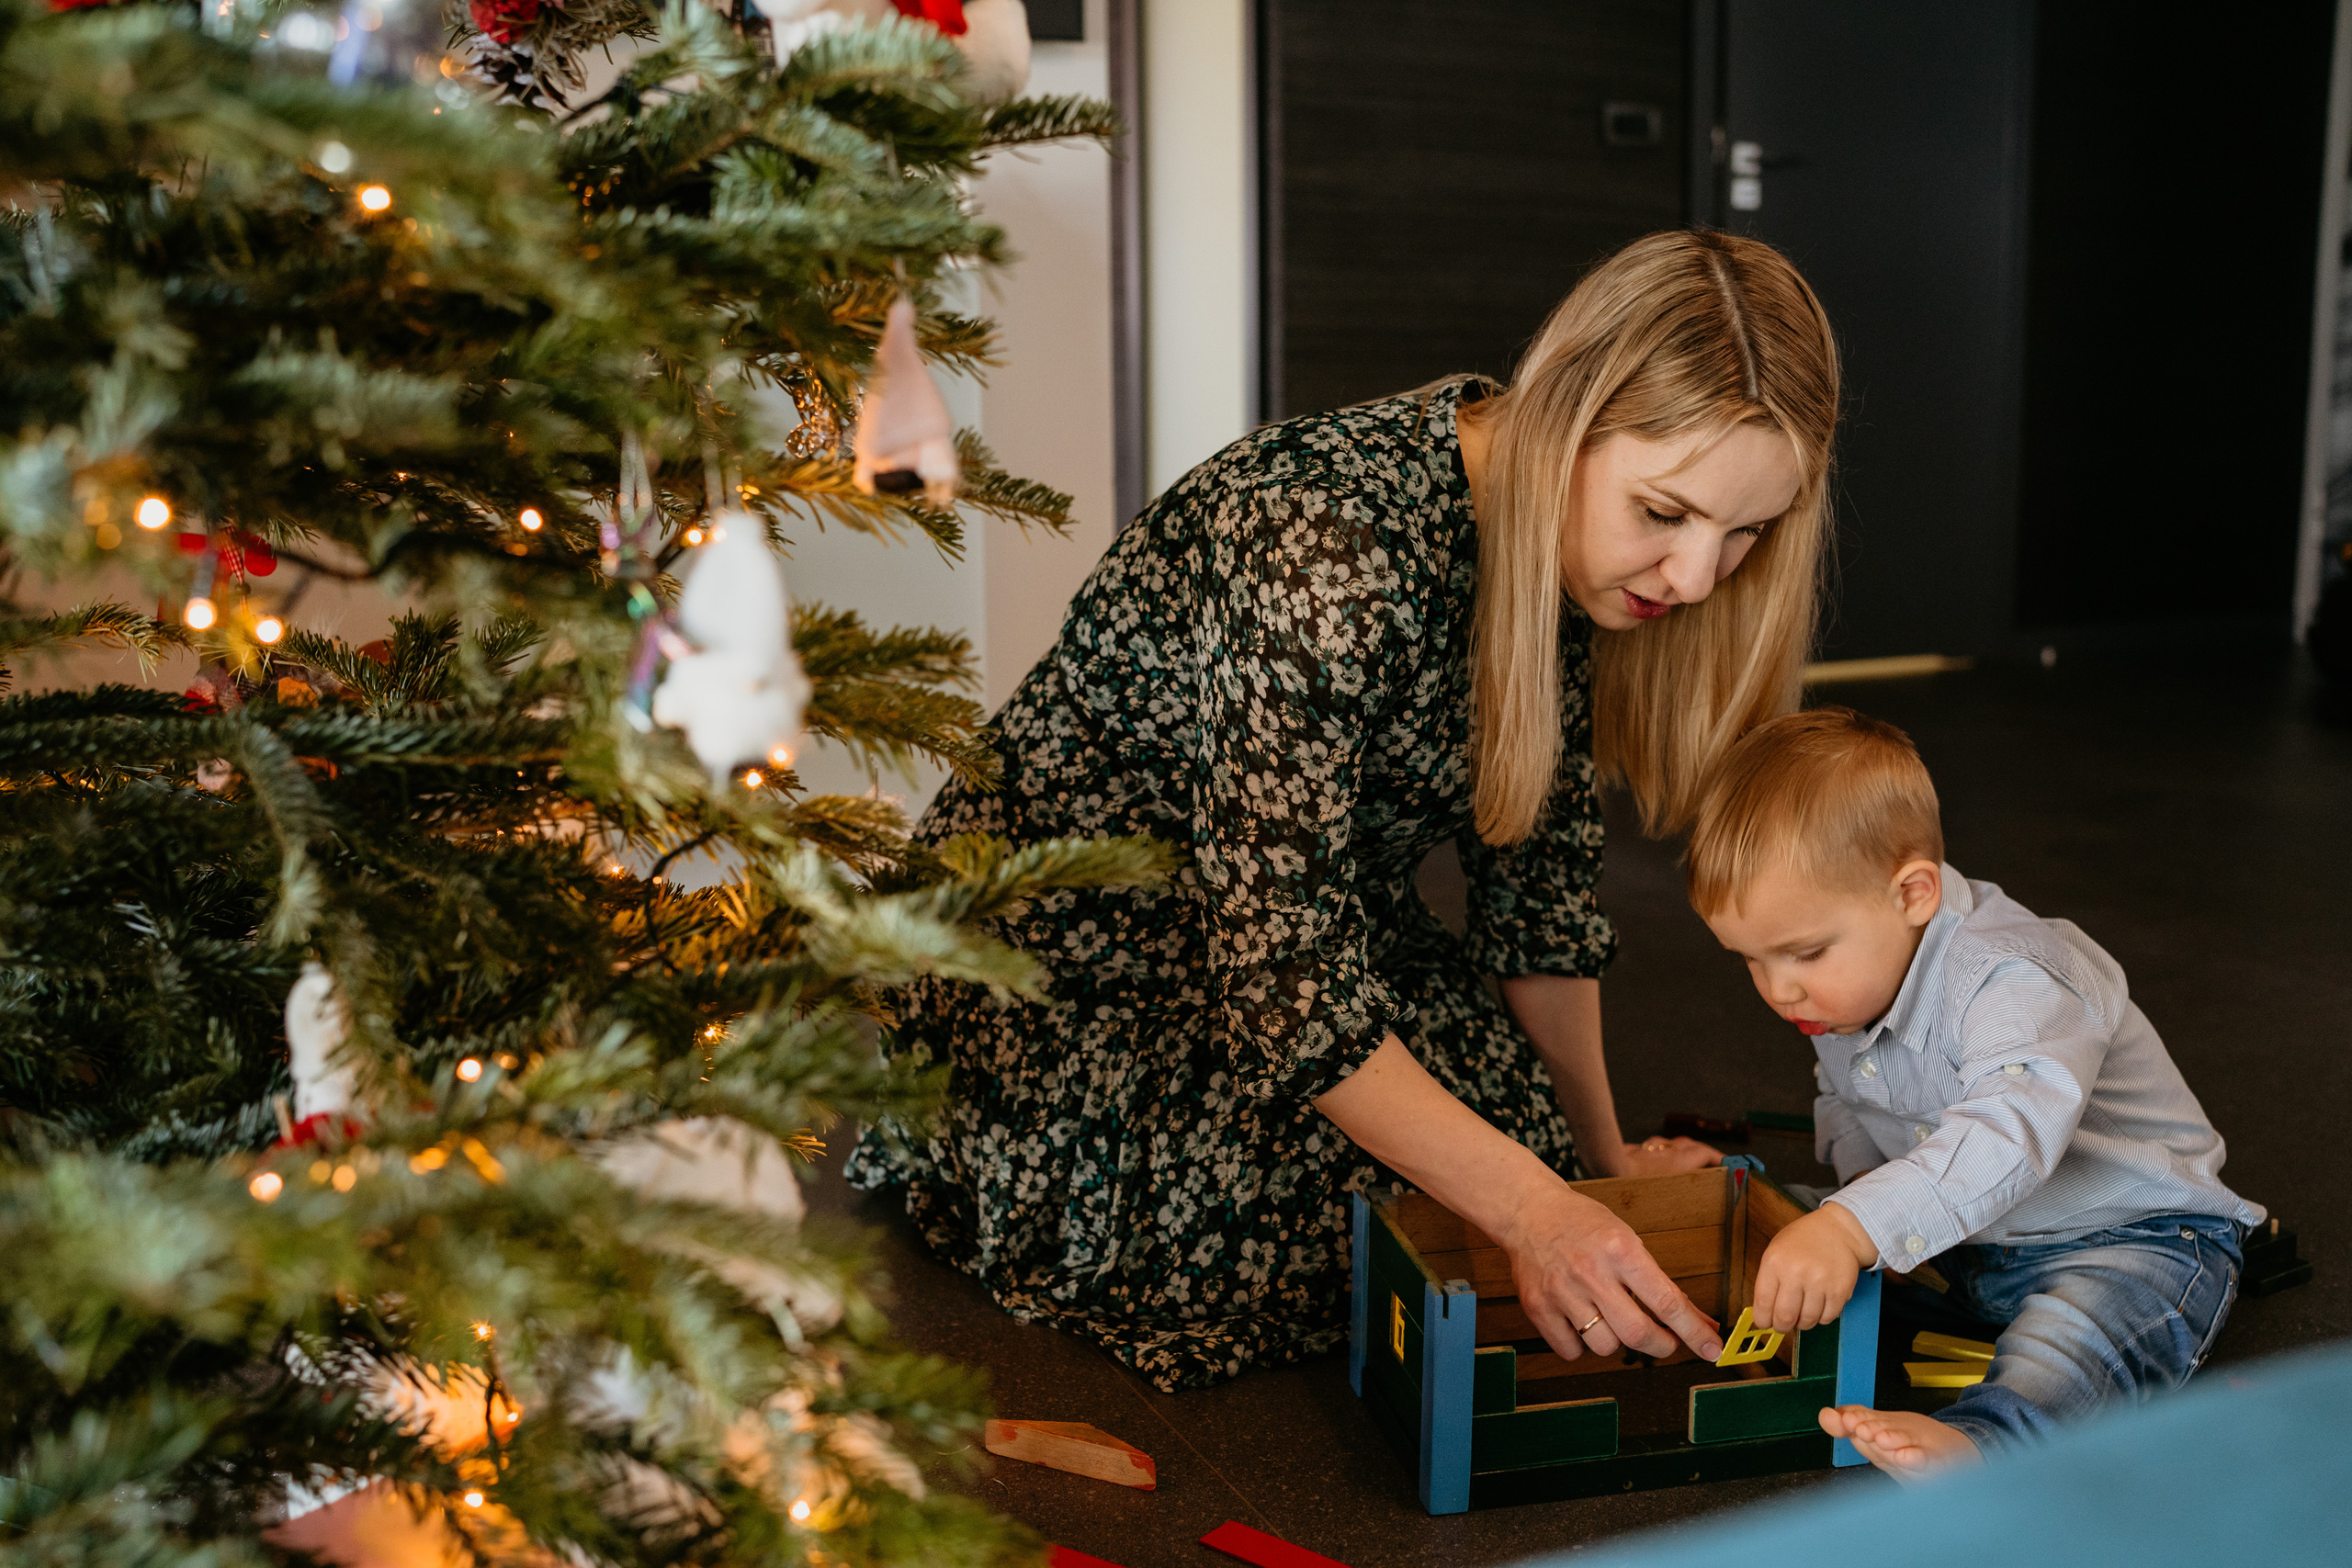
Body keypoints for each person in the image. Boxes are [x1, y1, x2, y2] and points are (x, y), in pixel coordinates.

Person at [847, 231, 1843, 1391]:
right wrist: (1533, 1208)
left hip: (1298, 927)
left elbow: (1538, 899)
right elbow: (1281, 976)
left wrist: (1596, 1166)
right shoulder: (1324, 542)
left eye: (1745, 533)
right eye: (1665, 513)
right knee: (1366, 1220)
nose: (1696, 578)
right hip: (1065, 958)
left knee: (1512, 1162)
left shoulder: (1571, 549)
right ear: (1566, 423)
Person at [1688, 708, 2261, 1473]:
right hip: (1972, 1246)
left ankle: (1987, 1442)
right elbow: (1855, 1099)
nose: (1778, 989)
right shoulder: (1843, 988)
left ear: (1914, 892)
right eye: (1749, 960)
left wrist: (1856, 1226)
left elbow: (2005, 1134)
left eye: (1806, 952)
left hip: (2133, 1237)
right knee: (1784, 1232)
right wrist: (1858, 1207)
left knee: (2075, 1337)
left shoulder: (2015, 978)